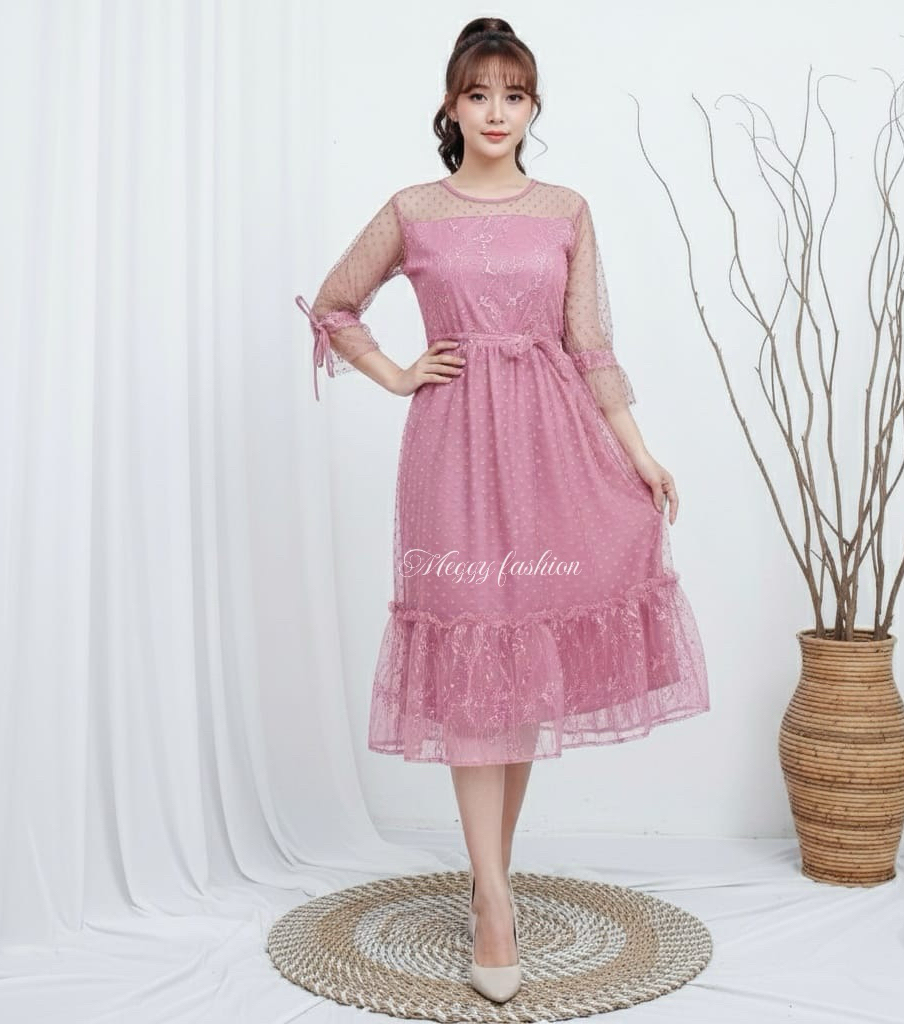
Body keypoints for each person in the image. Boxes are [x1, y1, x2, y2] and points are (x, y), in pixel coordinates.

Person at [294, 16, 710, 1004]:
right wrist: (397, 372)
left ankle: (493, 878)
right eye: (477, 94)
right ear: (450, 105)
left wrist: (639, 454)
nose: (495, 112)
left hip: (555, 450)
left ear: (533, 108)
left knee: (521, 673)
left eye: (513, 95)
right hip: (452, 452)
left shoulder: (566, 210)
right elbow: (333, 303)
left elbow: (590, 345)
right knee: (476, 660)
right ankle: (491, 899)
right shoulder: (413, 209)